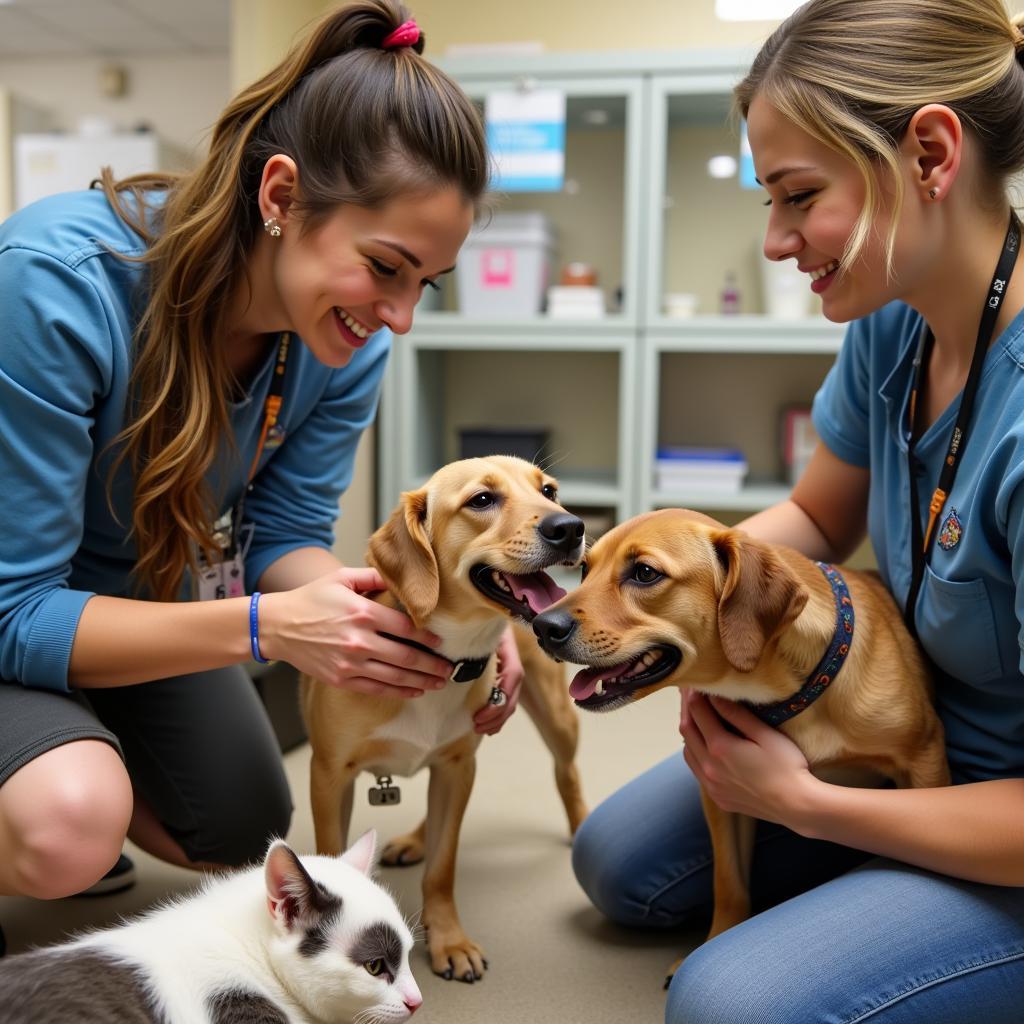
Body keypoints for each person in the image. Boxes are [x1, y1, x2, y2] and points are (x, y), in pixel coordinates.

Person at [0, 0, 521, 956]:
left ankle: (62, 751)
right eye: (385, 267)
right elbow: (17, 610)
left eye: (424, 284)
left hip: (128, 601)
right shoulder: (55, 282)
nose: (400, 317)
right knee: (69, 823)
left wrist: (432, 613)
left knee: (244, 826)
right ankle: (53, 782)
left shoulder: (342, 340)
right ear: (280, 196)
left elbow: (282, 536)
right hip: (13, 613)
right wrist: (261, 625)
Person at [572, 1, 1024, 1020]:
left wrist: (806, 804)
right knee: (618, 865)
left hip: (1003, 804)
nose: (774, 240)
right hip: (899, 712)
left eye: (797, 196)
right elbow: (817, 520)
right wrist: (681, 615)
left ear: (930, 154)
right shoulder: (895, 322)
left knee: (727, 1002)